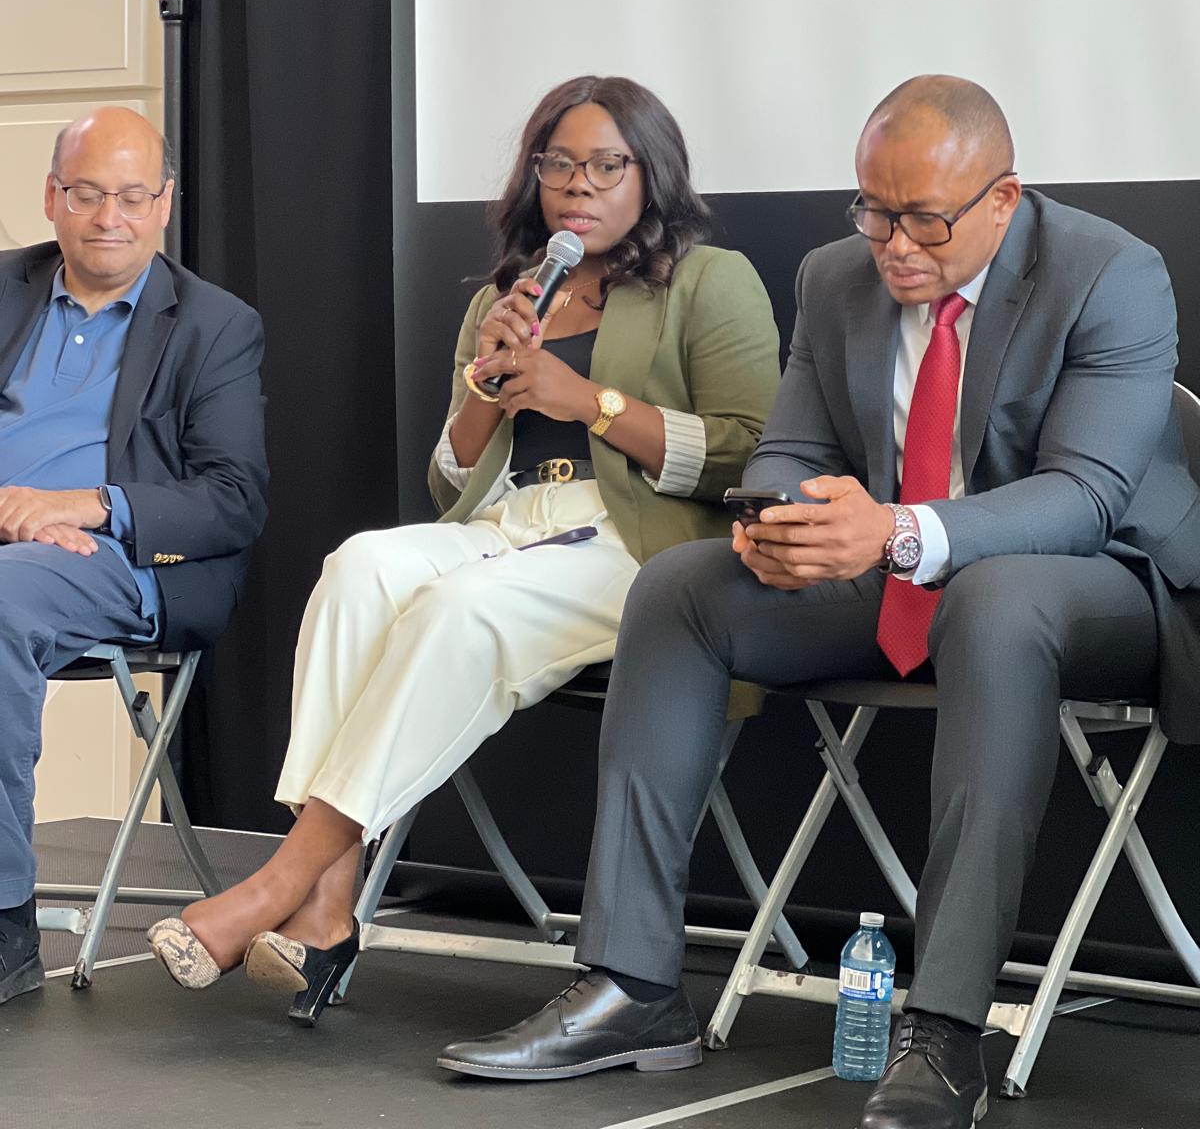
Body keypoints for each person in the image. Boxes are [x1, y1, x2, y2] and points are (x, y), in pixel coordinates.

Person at [441, 75, 1200, 1129]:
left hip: (1098, 579)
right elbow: (791, 452)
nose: (894, 247)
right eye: (873, 212)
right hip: (901, 571)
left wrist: (891, 532)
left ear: (1002, 199)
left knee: (997, 600)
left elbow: (1086, 496)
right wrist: (780, 524)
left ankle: (945, 1029)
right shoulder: (836, 275)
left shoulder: (1110, 272)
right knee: (682, 587)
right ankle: (631, 985)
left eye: (924, 221)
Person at [147, 75, 781, 1014]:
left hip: (640, 545)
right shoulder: (511, 294)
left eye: (607, 164)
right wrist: (485, 383)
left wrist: (590, 403)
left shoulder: (708, 279)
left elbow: (746, 451)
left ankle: (284, 881)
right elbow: (453, 477)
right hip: (510, 522)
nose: (579, 184)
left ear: (652, 174)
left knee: (460, 606)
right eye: (559, 163)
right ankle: (328, 907)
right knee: (359, 567)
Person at [0, 107, 267, 1007]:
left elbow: (233, 498)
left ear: (164, 204)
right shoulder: (3, 288)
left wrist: (87, 505)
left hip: (123, 558)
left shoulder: (214, 325)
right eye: (86, 193)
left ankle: (3, 923)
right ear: (51, 196)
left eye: (130, 196)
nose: (108, 216)